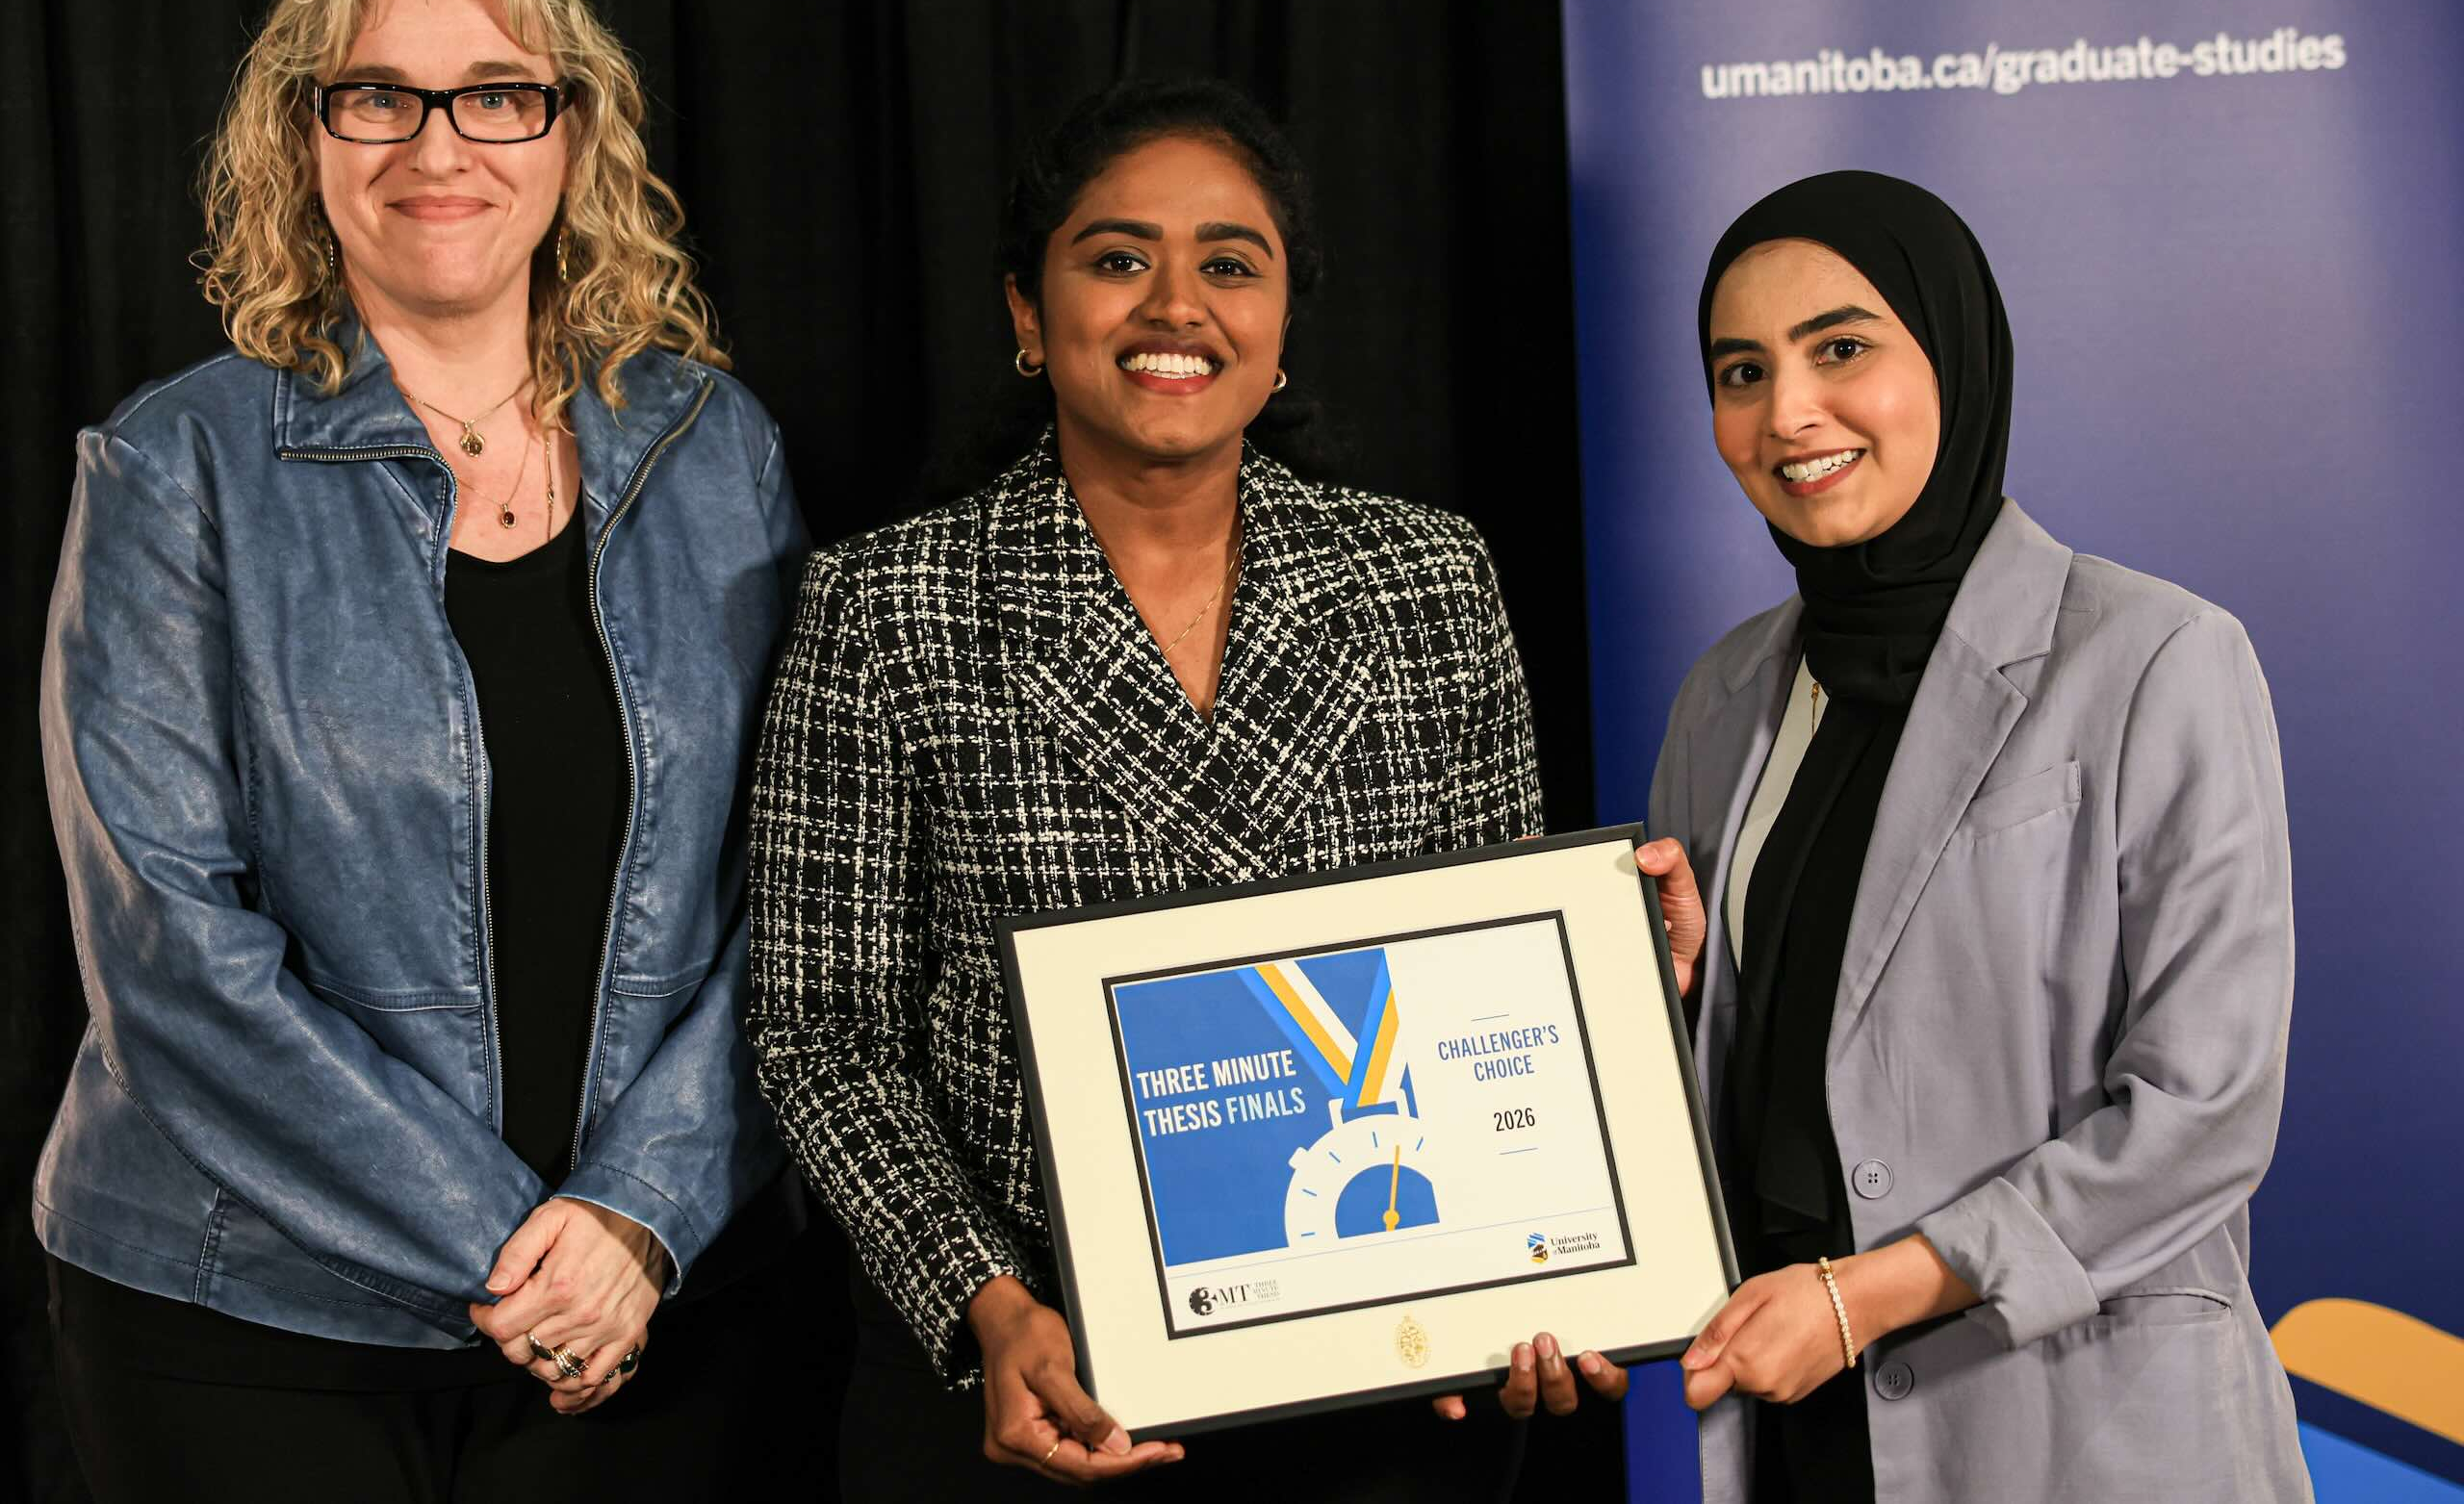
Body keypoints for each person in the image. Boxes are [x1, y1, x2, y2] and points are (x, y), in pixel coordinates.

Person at [36, 0, 809, 1500]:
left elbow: (800, 892)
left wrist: (640, 1216)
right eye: (377, 95)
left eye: (496, 95)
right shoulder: (177, 466)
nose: (436, 148)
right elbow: (166, 945)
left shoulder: (717, 454)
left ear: (573, 133)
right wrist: (521, 1252)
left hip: (650, 1312)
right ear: (304, 139)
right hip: (240, 1303)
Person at [1458, 170, 2308, 1501]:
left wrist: (1863, 1299)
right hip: (1804, 1429)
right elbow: (1760, 1084)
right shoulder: (1725, 695)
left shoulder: (2157, 659)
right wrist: (1665, 1002)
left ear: (1954, 357)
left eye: (1840, 347)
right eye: (1741, 371)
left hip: (2076, 1423)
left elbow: (2202, 1117)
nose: (1788, 412)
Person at [746, 78, 1538, 1499]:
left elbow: (1497, 1001)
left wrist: (1539, 1261)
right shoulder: (887, 607)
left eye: (1230, 265)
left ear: (1283, 324)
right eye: (1118, 260)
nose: (1177, 306)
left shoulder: (1431, 581)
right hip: (1044, 1395)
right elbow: (824, 1037)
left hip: (1381, 1389)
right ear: (1028, 317)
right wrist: (986, 1304)